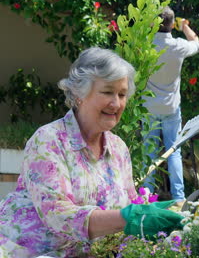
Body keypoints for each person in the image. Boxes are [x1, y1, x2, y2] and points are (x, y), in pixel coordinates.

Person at [0, 47, 182, 257]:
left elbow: (131, 205)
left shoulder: (118, 148)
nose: (116, 103)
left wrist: (152, 219)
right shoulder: (49, 140)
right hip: (31, 251)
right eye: (107, 92)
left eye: (122, 94)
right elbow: (57, 214)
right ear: (79, 94)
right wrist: (128, 217)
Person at [143, 6, 199, 207]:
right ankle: (178, 198)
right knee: (173, 152)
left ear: (154, 24)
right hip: (171, 109)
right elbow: (197, 44)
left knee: (148, 153)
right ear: (171, 24)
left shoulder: (145, 45)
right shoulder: (178, 46)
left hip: (149, 108)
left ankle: (146, 197)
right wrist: (184, 27)